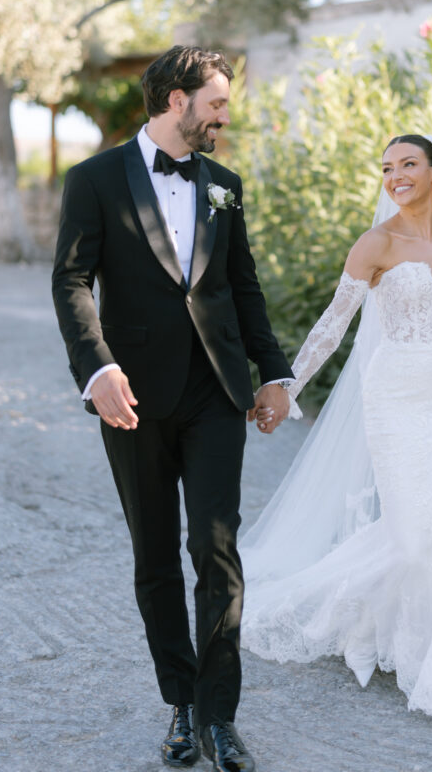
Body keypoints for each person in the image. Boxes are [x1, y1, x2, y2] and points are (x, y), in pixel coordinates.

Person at [52, 45, 294, 772]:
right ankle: (181, 706)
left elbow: (241, 287)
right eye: (215, 102)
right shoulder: (92, 179)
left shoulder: (225, 184)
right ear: (175, 101)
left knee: (216, 548)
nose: (225, 114)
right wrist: (97, 369)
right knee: (154, 555)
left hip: (216, 392)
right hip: (133, 396)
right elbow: (70, 280)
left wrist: (274, 372)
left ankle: (221, 717)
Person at [241, 133, 432, 740]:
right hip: (397, 400)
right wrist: (287, 386)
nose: (395, 175)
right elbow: (333, 326)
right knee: (411, 540)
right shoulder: (375, 243)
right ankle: (357, 618)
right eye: (387, 168)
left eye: (408, 164)